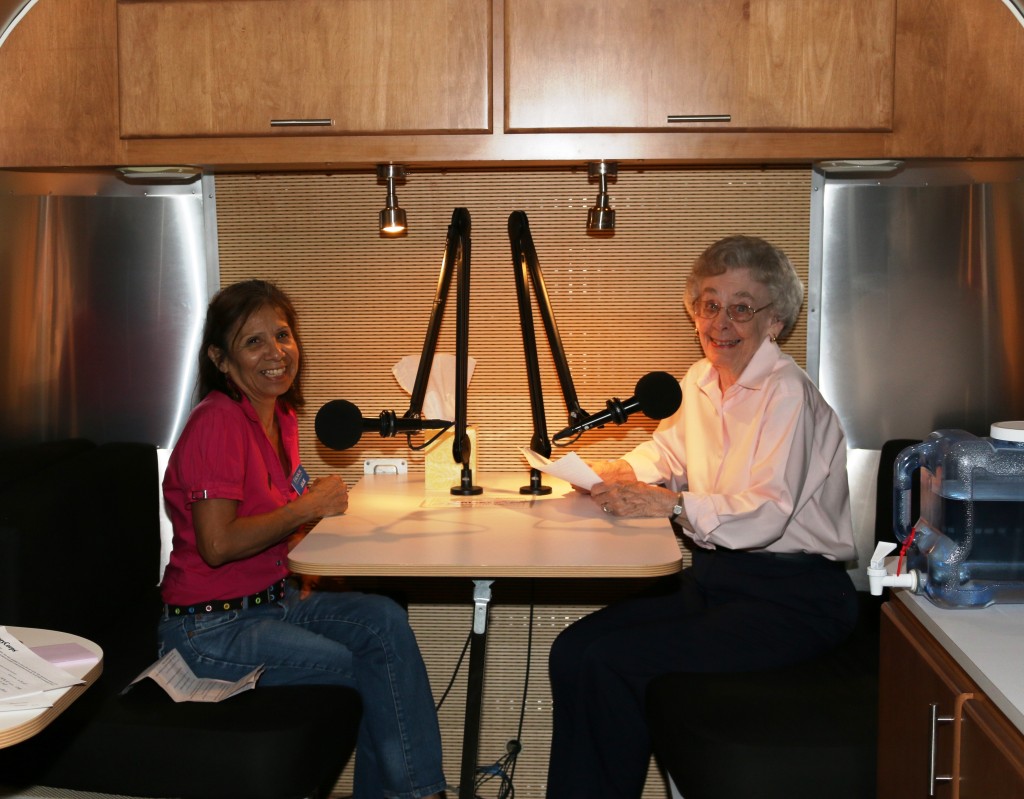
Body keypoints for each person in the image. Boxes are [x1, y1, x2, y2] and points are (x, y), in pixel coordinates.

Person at [545, 235, 858, 799]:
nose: (722, 321)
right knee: (573, 651)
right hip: (720, 581)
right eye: (710, 304)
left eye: (743, 307)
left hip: (793, 600)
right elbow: (669, 453)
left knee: (613, 663)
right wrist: (620, 469)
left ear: (776, 321)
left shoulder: (786, 393)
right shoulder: (700, 380)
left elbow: (767, 513)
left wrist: (672, 504)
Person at [159, 279, 447, 799]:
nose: (276, 353)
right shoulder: (217, 424)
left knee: (384, 619)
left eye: (283, 335)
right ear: (220, 360)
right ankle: (418, 795)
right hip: (209, 631)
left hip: (274, 601)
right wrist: (306, 507)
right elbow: (217, 544)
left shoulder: (282, 417)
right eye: (253, 342)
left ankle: (413, 792)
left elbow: (273, 513)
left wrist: (305, 545)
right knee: (364, 665)